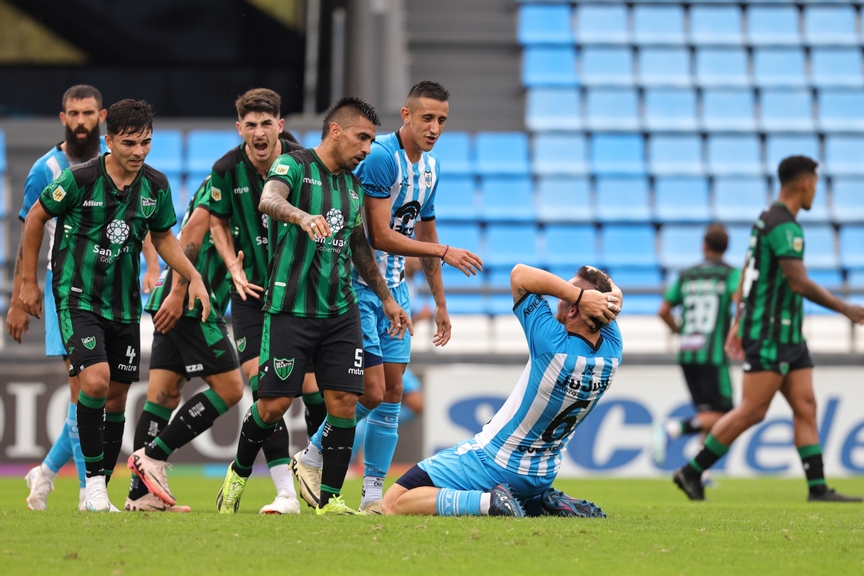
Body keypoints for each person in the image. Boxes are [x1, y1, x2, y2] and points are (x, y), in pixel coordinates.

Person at [215, 96, 412, 516]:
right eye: (362, 138)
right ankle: (238, 473)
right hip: (290, 308)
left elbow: (361, 250)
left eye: (372, 141)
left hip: (341, 311)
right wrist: (301, 217)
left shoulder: (354, 187)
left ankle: (330, 500)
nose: (366, 149)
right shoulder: (295, 164)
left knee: (343, 401)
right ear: (336, 131)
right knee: (272, 406)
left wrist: (388, 299)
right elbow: (269, 198)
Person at [293, 80, 483, 515]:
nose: (434, 128)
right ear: (406, 115)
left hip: (396, 289)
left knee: (394, 392)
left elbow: (425, 229)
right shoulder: (380, 157)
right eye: (427, 118)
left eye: (442, 120)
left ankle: (373, 495)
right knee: (374, 392)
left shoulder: (430, 168)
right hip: (359, 284)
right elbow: (379, 235)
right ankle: (312, 455)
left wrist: (440, 303)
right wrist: (441, 252)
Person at [19, 99, 210, 512]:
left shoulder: (155, 186)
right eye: (129, 143)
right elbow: (35, 217)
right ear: (109, 142)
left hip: (123, 305)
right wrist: (27, 283)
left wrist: (192, 276)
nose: (139, 151)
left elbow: (162, 237)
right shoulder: (79, 179)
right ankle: (94, 488)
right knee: (94, 381)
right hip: (76, 297)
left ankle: (95, 487)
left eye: (146, 142)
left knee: (117, 398)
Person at [673, 156, 864, 503]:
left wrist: (738, 319)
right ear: (805, 183)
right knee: (751, 410)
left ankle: (817, 488)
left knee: (805, 405)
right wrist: (845, 308)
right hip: (772, 334)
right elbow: (799, 282)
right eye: (815, 184)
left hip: (789, 335)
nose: (816, 191)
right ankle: (691, 471)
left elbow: (748, 271)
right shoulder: (784, 227)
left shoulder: (765, 219)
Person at [382, 264, 621, 518]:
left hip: (495, 462)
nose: (561, 297)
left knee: (394, 502)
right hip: (543, 473)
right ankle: (540, 503)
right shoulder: (614, 351)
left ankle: (490, 503)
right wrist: (591, 297)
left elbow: (519, 274)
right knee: (524, 489)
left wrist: (580, 295)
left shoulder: (550, 343)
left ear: (574, 308)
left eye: (567, 296)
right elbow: (613, 294)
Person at [209, 89, 324, 513]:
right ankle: (283, 493)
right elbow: (216, 222)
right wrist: (232, 267)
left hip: (296, 293)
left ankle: (317, 481)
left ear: (279, 124)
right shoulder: (225, 169)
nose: (259, 132)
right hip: (252, 295)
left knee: (313, 392)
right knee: (265, 390)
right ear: (240, 129)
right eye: (250, 124)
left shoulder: (304, 162)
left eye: (266, 123)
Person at [7, 85, 106, 511]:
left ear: (102, 116)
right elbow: (27, 235)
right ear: (62, 117)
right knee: (83, 389)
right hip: (65, 290)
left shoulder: (117, 163)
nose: (81, 120)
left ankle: (45, 472)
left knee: (96, 394)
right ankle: (89, 492)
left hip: (108, 289)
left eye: (88, 112)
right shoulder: (44, 169)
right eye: (73, 113)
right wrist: (18, 295)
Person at [124, 175, 245, 513]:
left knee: (162, 395)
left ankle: (140, 496)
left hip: (174, 295)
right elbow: (190, 232)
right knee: (231, 389)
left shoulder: (231, 180)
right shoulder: (230, 181)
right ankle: (153, 456)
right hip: (191, 300)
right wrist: (180, 292)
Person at [652, 224, 740, 465]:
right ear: (726, 247)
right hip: (713, 355)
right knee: (726, 416)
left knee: (708, 414)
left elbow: (663, 311)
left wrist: (680, 331)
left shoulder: (687, 275)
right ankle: (673, 428)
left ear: (704, 246)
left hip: (688, 351)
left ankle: (700, 472)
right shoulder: (731, 274)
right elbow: (738, 300)